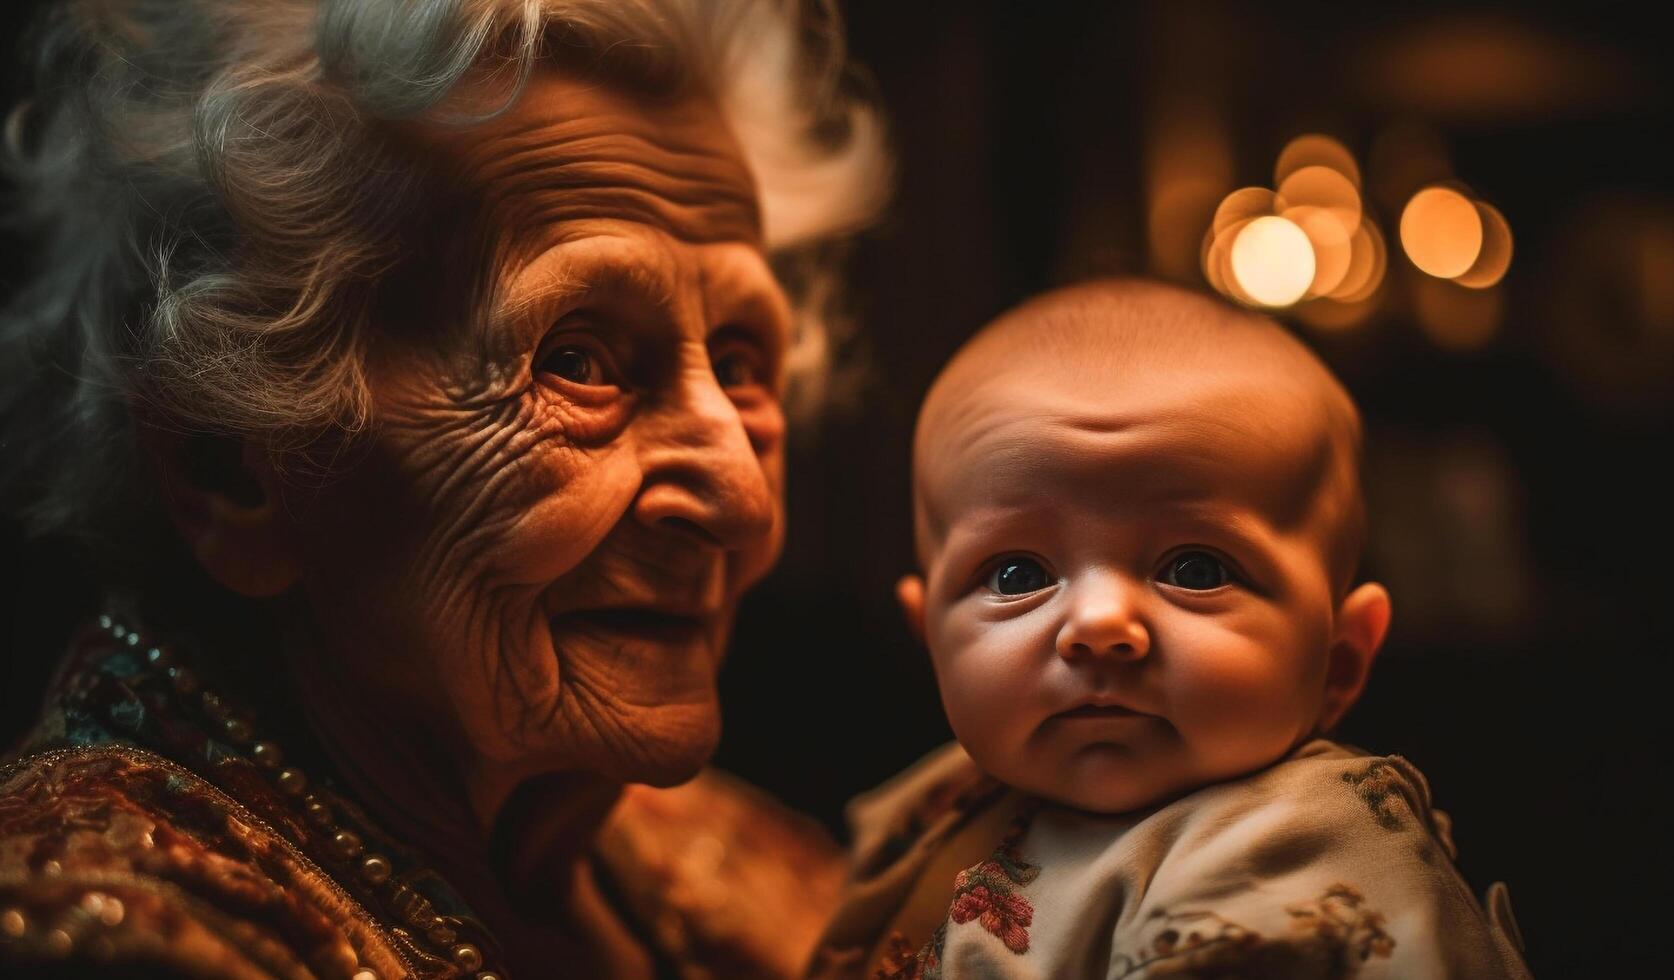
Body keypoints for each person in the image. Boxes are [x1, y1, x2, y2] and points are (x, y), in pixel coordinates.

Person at [0, 0, 887, 977]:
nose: (740, 499)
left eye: (738, 358)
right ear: (233, 463)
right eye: (578, 359)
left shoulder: (715, 844)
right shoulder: (111, 940)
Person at [809, 281, 1532, 979]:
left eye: (1193, 568)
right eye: (1016, 577)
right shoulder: (946, 797)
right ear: (931, 637)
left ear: (1337, 661)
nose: (1097, 626)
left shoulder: (1300, 846)